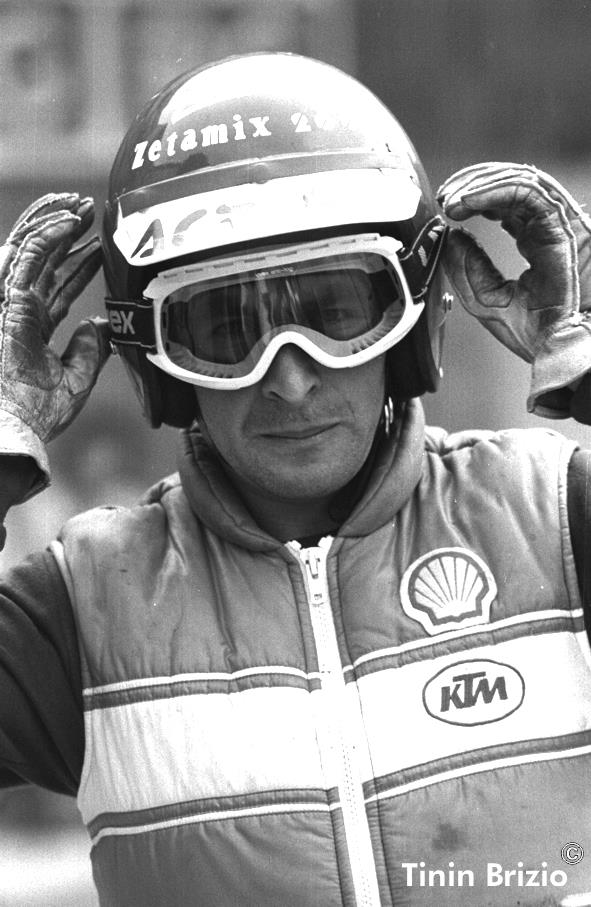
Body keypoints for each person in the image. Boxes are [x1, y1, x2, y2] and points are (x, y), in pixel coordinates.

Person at [0, 51, 590, 907]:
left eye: (336, 312)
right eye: (224, 327)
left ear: (407, 323)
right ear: (159, 359)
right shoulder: (81, 609)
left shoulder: (558, 520)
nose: (288, 377)